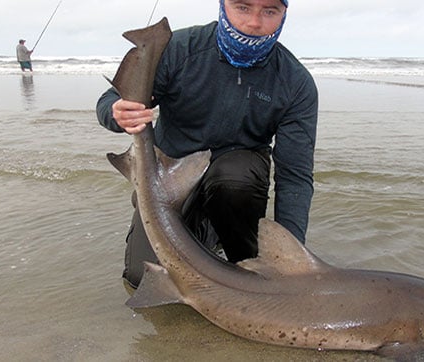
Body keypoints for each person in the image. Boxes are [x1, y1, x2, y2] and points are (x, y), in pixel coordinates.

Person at [96, 0, 318, 289]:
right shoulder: (178, 48)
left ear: (284, 14)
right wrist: (116, 112)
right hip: (168, 181)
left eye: (269, 11)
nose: (254, 22)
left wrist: (291, 260)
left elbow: (295, 178)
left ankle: (235, 249)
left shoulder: (295, 83)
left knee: (236, 179)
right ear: (223, 5)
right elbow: (108, 100)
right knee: (143, 281)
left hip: (234, 184)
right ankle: (201, 230)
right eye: (242, 7)